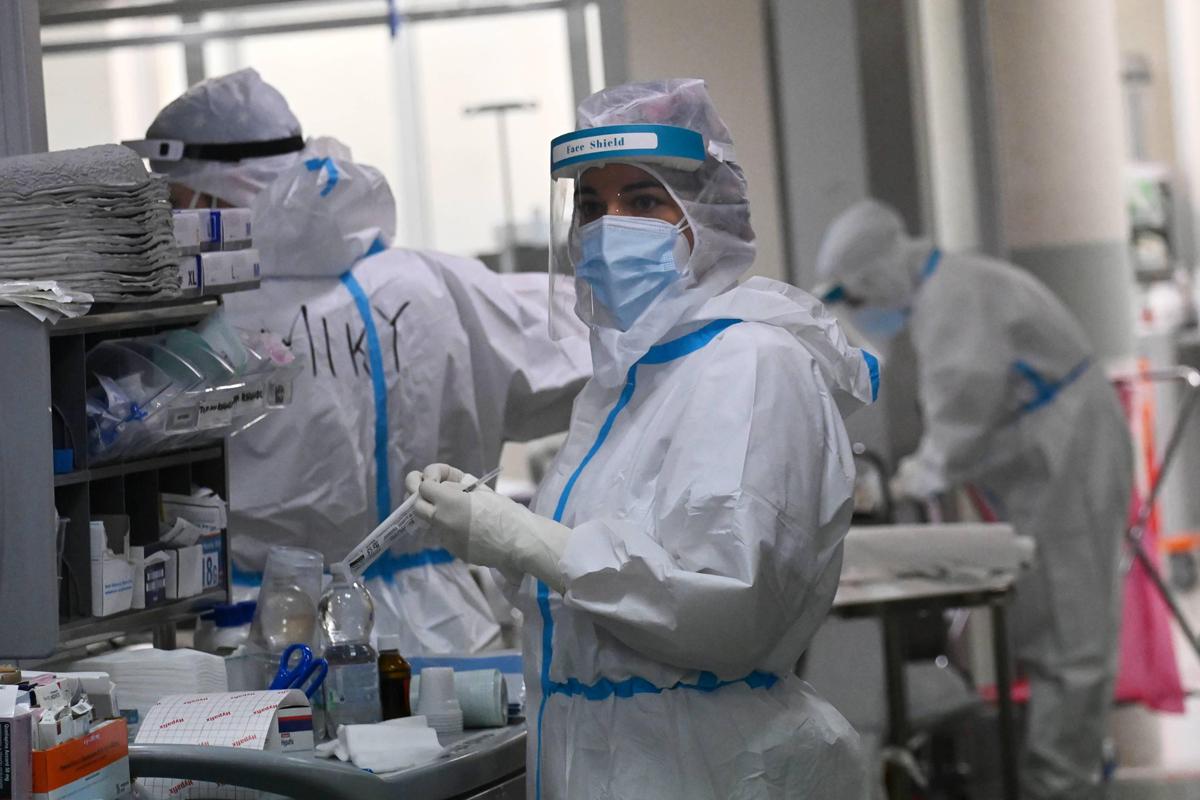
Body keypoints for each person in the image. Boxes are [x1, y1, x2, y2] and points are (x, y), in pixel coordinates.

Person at [406, 78, 877, 799]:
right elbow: (601, 578)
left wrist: (526, 540)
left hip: (704, 767)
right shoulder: (629, 381)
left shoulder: (749, 364)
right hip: (613, 758)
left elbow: (727, 608)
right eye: (591, 207)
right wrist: (496, 534)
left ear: (705, 217)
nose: (608, 228)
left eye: (644, 201)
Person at [141, 69, 590, 655]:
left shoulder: (208, 313)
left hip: (271, 629)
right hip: (445, 628)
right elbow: (595, 350)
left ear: (218, 191)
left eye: (174, 202)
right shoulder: (434, 285)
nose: (168, 222)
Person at [816, 198, 1134, 800]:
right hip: (1048, 461)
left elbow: (961, 418)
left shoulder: (955, 301)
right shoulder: (950, 291)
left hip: (1066, 457)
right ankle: (1064, 773)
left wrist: (907, 480)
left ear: (879, 273)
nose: (864, 311)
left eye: (858, 297)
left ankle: (1061, 783)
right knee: (1053, 630)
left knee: (1071, 636)